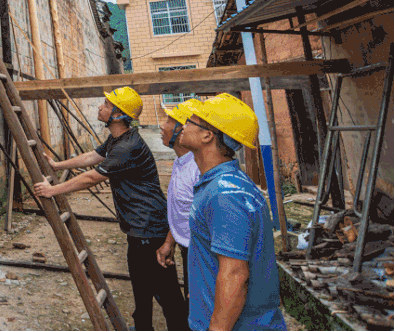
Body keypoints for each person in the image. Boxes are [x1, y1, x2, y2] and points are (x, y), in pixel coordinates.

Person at [33, 86, 188, 331]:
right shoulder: (119, 139)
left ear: (117, 115)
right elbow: (92, 157)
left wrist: (53, 190)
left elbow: (92, 177)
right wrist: (57, 164)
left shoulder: (128, 147)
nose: (100, 107)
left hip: (150, 230)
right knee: (142, 294)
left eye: (105, 105)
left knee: (168, 298)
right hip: (139, 230)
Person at [177, 93, 287, 331]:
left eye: (191, 120)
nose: (183, 124)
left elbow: (235, 275)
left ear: (208, 135)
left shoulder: (225, 195)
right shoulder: (222, 184)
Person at [155, 97, 202, 308]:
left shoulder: (198, 169)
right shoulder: (180, 163)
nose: (161, 126)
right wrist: (169, 242)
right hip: (187, 248)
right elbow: (182, 210)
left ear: (182, 130)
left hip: (202, 253)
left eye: (168, 121)